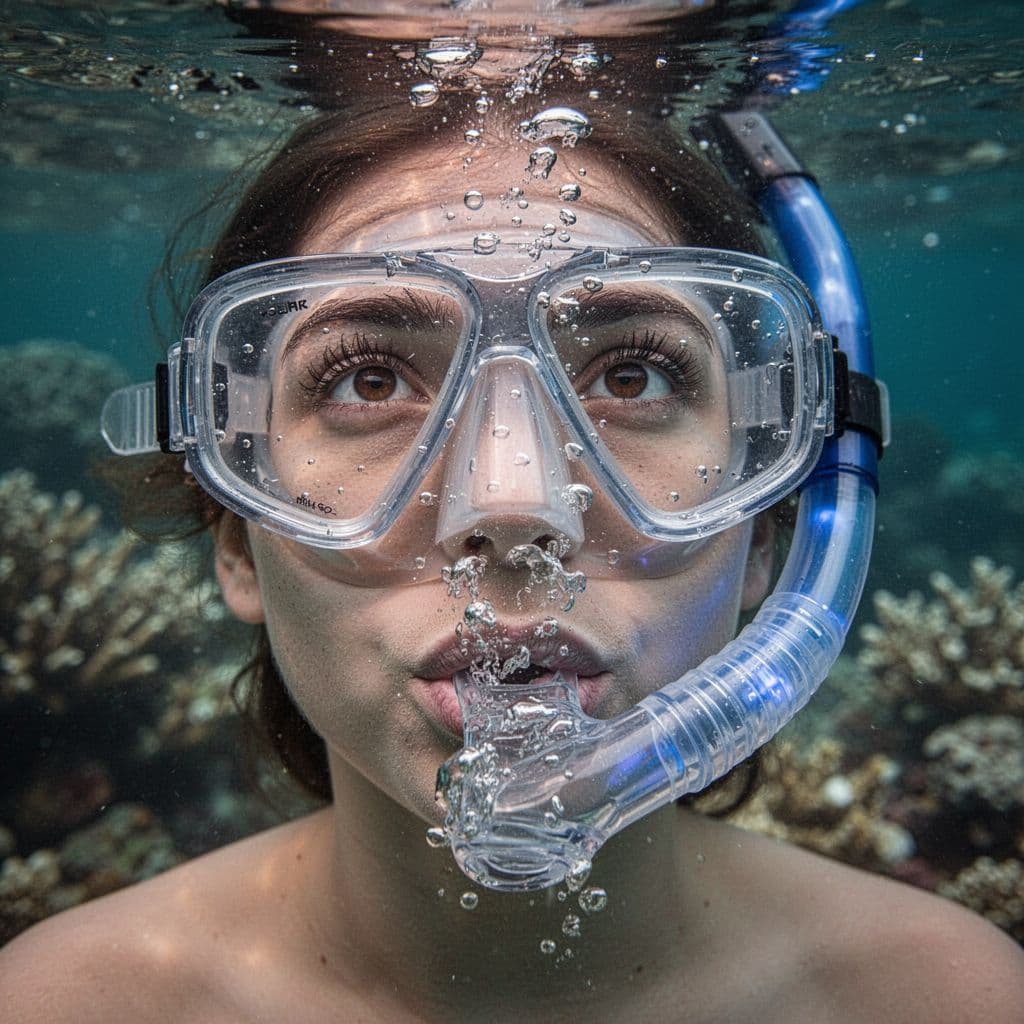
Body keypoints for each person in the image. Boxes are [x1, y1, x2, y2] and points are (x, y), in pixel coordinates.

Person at [3, 51, 1023, 1024]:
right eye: (368, 380)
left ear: (764, 531)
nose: (511, 505)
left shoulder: (954, 998)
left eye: (633, 375)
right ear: (234, 531)